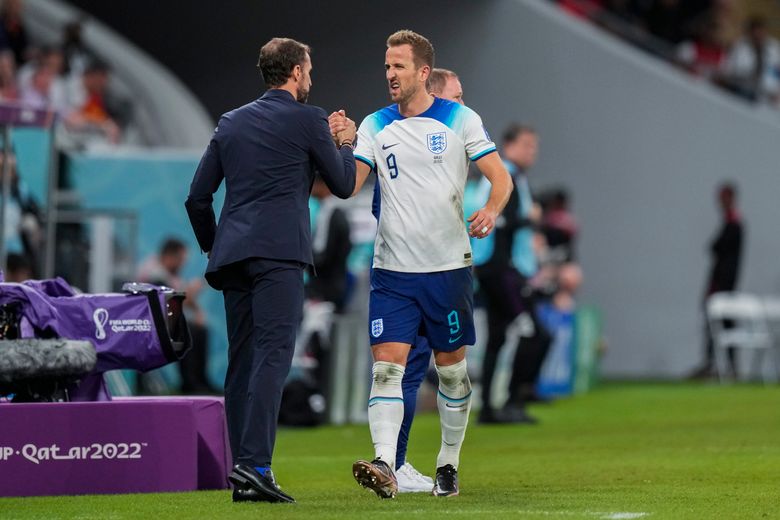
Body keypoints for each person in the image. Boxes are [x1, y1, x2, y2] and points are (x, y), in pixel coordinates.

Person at [335, 30, 512, 498]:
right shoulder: (375, 124)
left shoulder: (460, 118)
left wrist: (491, 210)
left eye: (399, 66)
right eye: (387, 66)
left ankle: (448, 464)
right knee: (386, 369)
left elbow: (500, 177)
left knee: (452, 372)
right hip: (392, 272)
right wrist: (341, 145)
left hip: (448, 269)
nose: (390, 74)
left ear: (423, 72)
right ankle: (385, 462)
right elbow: (350, 185)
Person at [185, 37, 356, 504]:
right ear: (297, 72)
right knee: (273, 355)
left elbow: (197, 198)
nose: (312, 78)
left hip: (233, 256)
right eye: (310, 70)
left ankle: (242, 472)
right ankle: (256, 466)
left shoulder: (231, 121)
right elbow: (341, 184)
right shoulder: (309, 119)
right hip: (279, 255)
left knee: (242, 361)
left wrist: (214, 248)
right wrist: (345, 142)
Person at [368, 66, 468, 494]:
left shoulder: (456, 140)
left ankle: (434, 463)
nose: (461, 105)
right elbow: (378, 204)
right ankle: (394, 463)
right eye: (457, 96)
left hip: (445, 272)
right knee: (396, 372)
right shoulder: (394, 137)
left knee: (445, 372)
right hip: (402, 273)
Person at [473, 125, 552, 424]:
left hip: (498, 269)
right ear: (508, 145)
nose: (532, 151)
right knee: (535, 333)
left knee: (498, 337)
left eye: (534, 145)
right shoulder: (504, 176)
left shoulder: (514, 177)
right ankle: (513, 399)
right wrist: (529, 219)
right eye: (526, 145)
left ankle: (489, 410)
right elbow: (500, 221)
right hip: (501, 270)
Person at [137, 238, 217, 395]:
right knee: (189, 331)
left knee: (200, 329)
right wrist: (190, 292)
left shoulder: (170, 274)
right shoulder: (154, 273)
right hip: (150, 325)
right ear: (169, 257)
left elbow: (180, 299)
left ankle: (201, 380)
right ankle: (190, 382)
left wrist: (198, 311)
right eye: (180, 260)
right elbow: (169, 302)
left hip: (166, 322)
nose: (183, 264)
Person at [690, 182, 744, 379]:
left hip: (724, 284)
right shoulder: (730, 224)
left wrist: (721, 286)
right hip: (720, 282)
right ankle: (713, 364)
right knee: (714, 325)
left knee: (725, 324)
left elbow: (717, 248)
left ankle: (725, 366)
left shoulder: (734, 225)